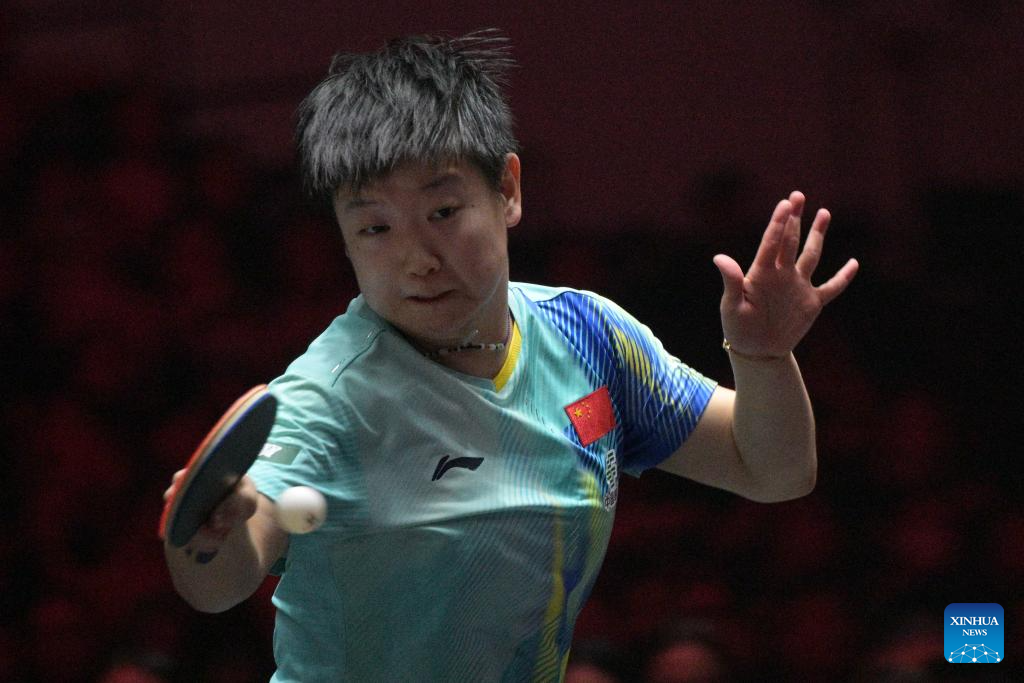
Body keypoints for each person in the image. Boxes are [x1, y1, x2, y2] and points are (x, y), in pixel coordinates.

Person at [162, 30, 859, 682]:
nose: (416, 259)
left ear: (508, 190)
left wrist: (762, 358)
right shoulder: (332, 396)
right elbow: (219, 582)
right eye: (374, 227)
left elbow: (772, 469)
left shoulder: (588, 337)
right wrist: (211, 529)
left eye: (442, 212)